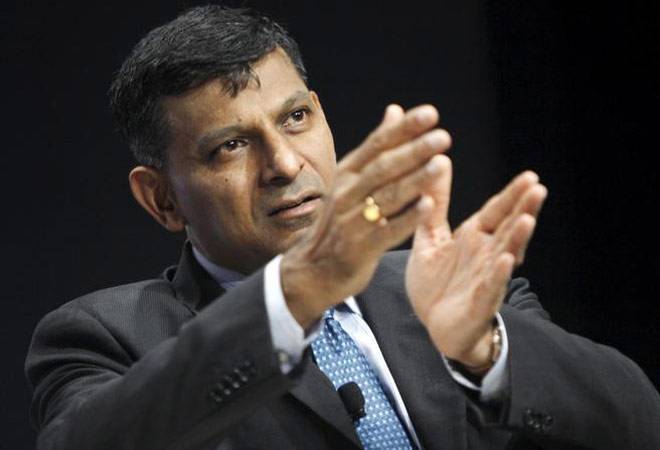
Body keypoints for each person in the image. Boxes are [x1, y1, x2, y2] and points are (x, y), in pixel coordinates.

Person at [25, 5, 660, 450]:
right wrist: (296, 292)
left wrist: (485, 353)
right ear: (162, 198)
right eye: (230, 146)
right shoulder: (104, 338)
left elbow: (639, 425)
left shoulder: (446, 287)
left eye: (295, 117)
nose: (284, 163)